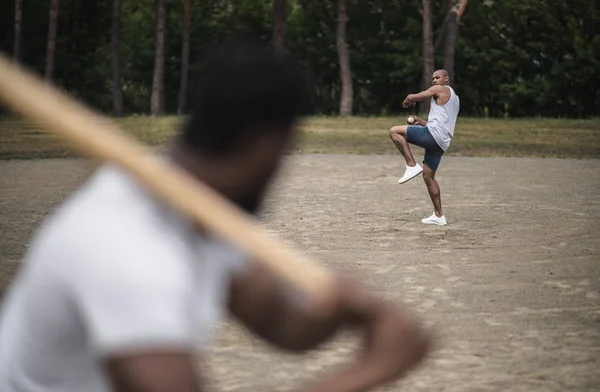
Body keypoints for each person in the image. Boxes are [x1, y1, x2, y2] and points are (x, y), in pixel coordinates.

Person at [0, 41, 432, 392]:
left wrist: (337, 309)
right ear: (266, 145)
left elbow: (280, 322)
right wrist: (372, 370)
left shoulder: (197, 204)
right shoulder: (129, 250)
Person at [389, 69, 460, 226]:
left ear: (446, 79)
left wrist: (407, 100)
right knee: (428, 177)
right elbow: (441, 124)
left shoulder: (440, 89)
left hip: (433, 135)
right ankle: (439, 215)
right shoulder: (455, 98)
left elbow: (417, 96)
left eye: (438, 77)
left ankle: (411, 165)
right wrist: (421, 122)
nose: (434, 80)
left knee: (394, 131)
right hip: (441, 142)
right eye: (433, 78)